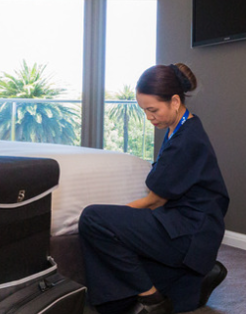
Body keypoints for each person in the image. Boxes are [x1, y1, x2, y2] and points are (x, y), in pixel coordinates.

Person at [78, 63, 230, 314]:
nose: (149, 117)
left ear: (174, 101)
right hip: (182, 228)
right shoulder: (179, 128)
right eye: (144, 111)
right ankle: (193, 279)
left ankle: (152, 300)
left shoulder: (186, 140)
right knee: (117, 302)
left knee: (93, 218)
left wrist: (115, 220)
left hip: (189, 233)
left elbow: (154, 201)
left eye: (152, 110)